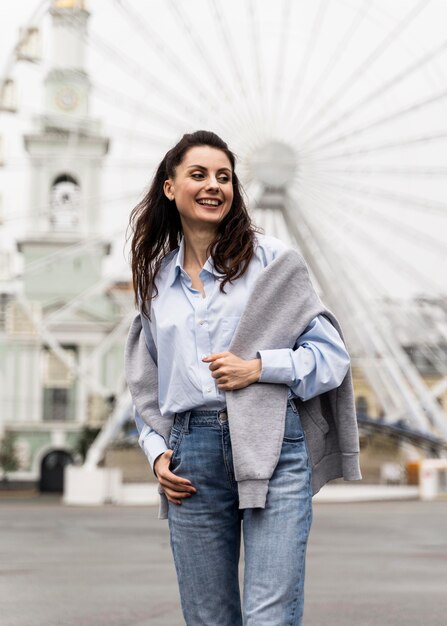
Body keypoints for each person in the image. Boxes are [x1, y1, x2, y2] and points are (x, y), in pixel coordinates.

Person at [125, 130, 361, 626]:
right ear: (170, 188)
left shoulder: (273, 261)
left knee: (269, 616)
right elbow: (146, 388)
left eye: (224, 177)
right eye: (199, 174)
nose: (214, 185)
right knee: (208, 617)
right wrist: (156, 454)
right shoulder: (156, 281)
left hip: (273, 443)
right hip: (191, 455)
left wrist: (259, 367)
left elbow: (331, 356)